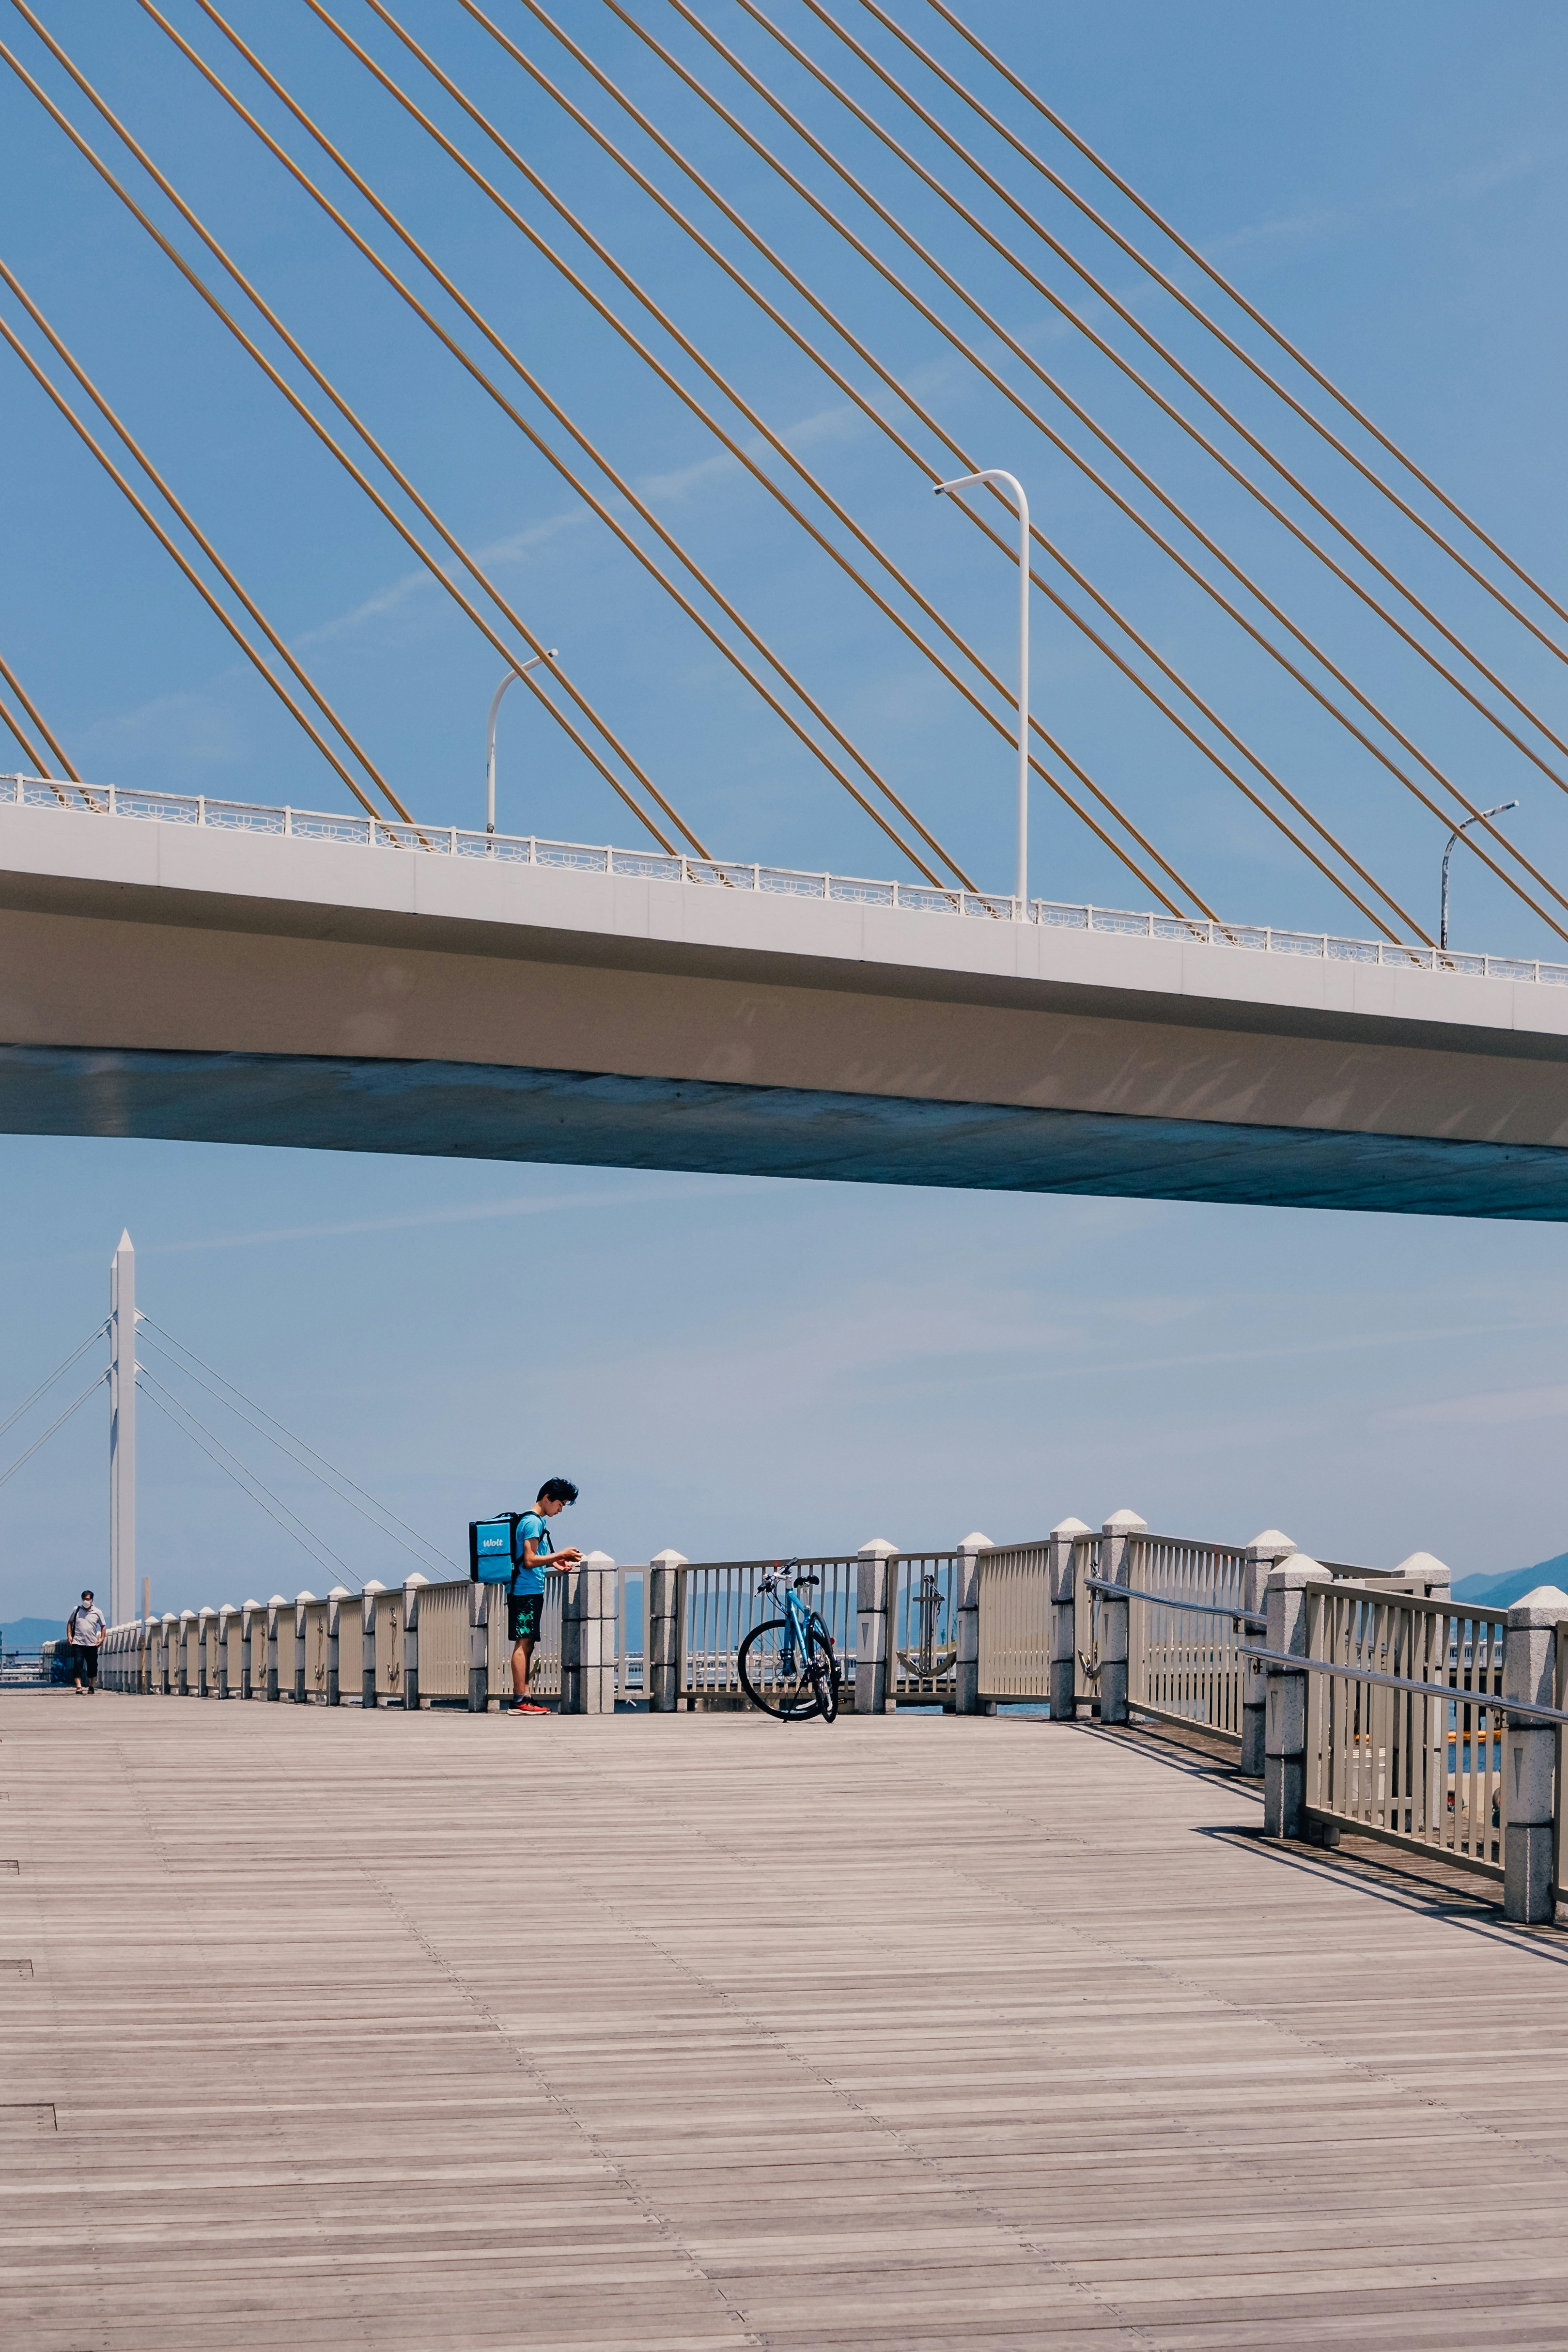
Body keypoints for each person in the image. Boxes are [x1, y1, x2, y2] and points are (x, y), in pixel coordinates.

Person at [510, 1478, 580, 1716]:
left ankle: (525, 1697)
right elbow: (529, 1560)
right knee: (523, 1644)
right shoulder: (532, 1523)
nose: (561, 1510)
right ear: (548, 1498)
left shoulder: (532, 1521)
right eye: (560, 1504)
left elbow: (532, 1559)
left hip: (529, 1589)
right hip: (524, 1591)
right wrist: (560, 1554)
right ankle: (520, 1700)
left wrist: (555, 1562)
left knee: (528, 1643)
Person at [66, 1590, 106, 1696]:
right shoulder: (77, 1610)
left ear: (92, 1600)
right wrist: (70, 1636)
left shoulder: (98, 1612)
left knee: (92, 1666)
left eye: (87, 1599)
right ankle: (79, 1686)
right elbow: (70, 1622)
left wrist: (102, 1638)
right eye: (84, 1599)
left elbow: (103, 1626)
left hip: (92, 1643)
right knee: (78, 1664)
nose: (85, 1601)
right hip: (78, 1642)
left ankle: (91, 1685)